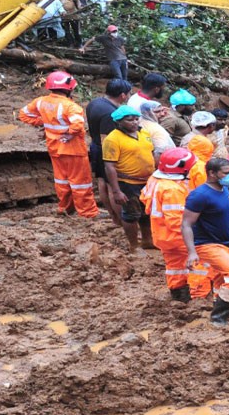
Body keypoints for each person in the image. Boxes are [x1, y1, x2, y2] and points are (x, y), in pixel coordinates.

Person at [18, 71, 98, 218]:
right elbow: (78, 125)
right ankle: (88, 213)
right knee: (81, 183)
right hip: (74, 150)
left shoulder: (40, 101)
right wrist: (69, 132)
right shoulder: (70, 106)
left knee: (62, 181)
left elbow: (23, 114)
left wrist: (44, 122)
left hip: (54, 148)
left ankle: (65, 209)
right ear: (69, 88)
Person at [182, 157, 229, 325]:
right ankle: (218, 316)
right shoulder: (199, 195)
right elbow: (186, 224)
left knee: (221, 280)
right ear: (212, 173)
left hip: (227, 242)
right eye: (227, 173)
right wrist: (192, 251)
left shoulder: (225, 190)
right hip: (208, 244)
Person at [144, 147, 208, 302]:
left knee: (174, 267)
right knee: (199, 264)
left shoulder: (155, 180)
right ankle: (199, 296)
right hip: (178, 237)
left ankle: (178, 294)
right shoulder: (172, 190)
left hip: (162, 235)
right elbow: (177, 221)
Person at [103, 106, 157, 251]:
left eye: (136, 119)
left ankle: (148, 240)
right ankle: (134, 245)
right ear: (119, 122)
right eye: (129, 120)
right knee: (131, 215)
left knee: (146, 212)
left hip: (146, 181)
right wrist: (116, 191)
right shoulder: (112, 139)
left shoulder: (143, 133)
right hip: (127, 183)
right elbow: (109, 166)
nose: (134, 122)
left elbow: (151, 154)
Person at [85, 78, 133, 226]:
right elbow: (108, 139)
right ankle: (120, 220)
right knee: (113, 186)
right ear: (123, 95)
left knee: (102, 182)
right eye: (129, 94)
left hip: (95, 146)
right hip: (105, 150)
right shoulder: (110, 114)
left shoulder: (94, 103)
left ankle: (114, 217)